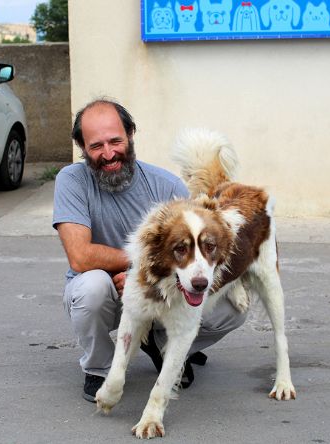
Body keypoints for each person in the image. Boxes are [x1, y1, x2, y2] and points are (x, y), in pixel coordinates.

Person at [52, 98, 248, 403]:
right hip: (107, 286)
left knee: (232, 309)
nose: (108, 153)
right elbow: (80, 255)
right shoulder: (71, 180)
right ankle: (100, 368)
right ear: (81, 146)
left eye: (115, 140)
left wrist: (138, 272)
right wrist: (134, 271)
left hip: (157, 285)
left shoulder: (167, 185)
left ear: (130, 133)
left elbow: (192, 251)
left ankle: (163, 345)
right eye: (96, 146)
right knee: (92, 287)